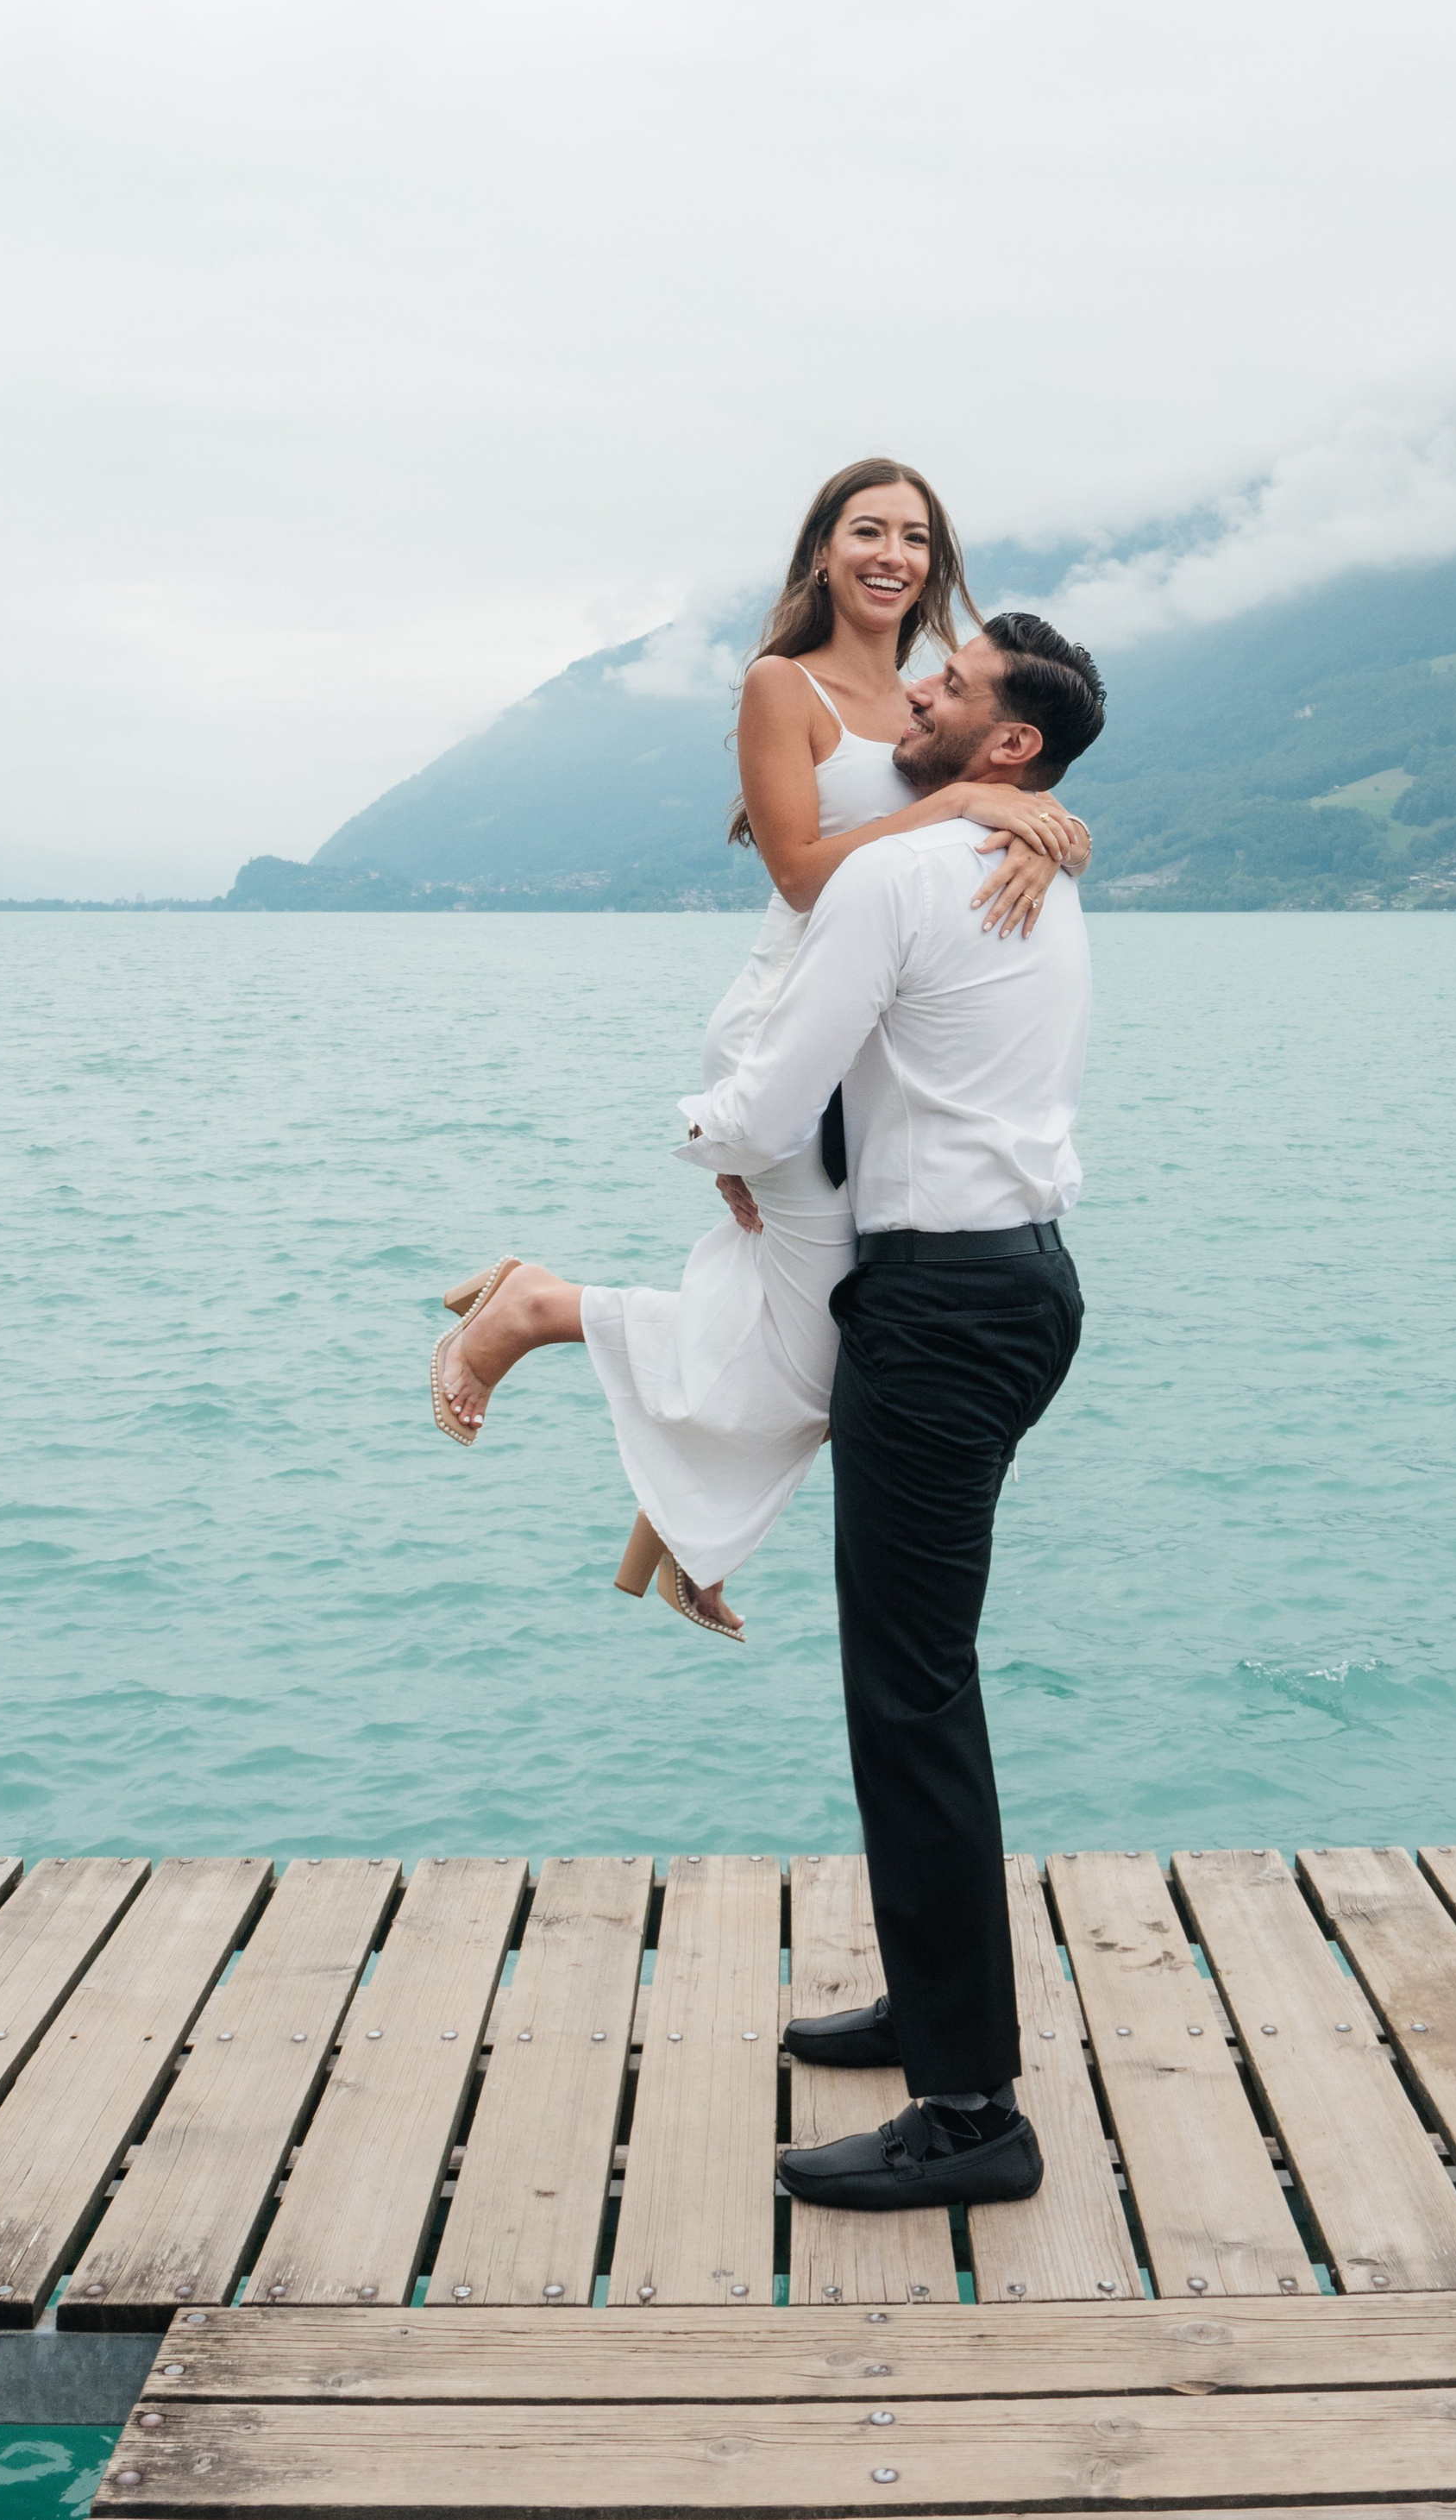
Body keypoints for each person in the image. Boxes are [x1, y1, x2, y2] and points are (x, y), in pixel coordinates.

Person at [429, 461, 1090, 1639]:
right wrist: (955, 809)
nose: (892, 555)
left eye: (916, 537)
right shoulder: (782, 685)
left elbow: (1010, 787)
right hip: (789, 1023)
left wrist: (1047, 839)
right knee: (835, 1344)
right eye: (868, 530)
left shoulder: (933, 697)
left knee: (829, 1327)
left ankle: (677, 1531)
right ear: (823, 550)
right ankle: (538, 1311)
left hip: (877, 1053)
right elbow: (798, 871)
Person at [682, 610, 1106, 2213]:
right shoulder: (1027, 867)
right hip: (1015, 1288)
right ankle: (939, 2013)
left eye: (952, 683)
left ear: (1008, 744)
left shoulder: (907, 874)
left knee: (911, 1696)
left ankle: (972, 2109)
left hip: (940, 1310)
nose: (915, 687)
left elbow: (772, 1100)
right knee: (924, 1684)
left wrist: (703, 1134)